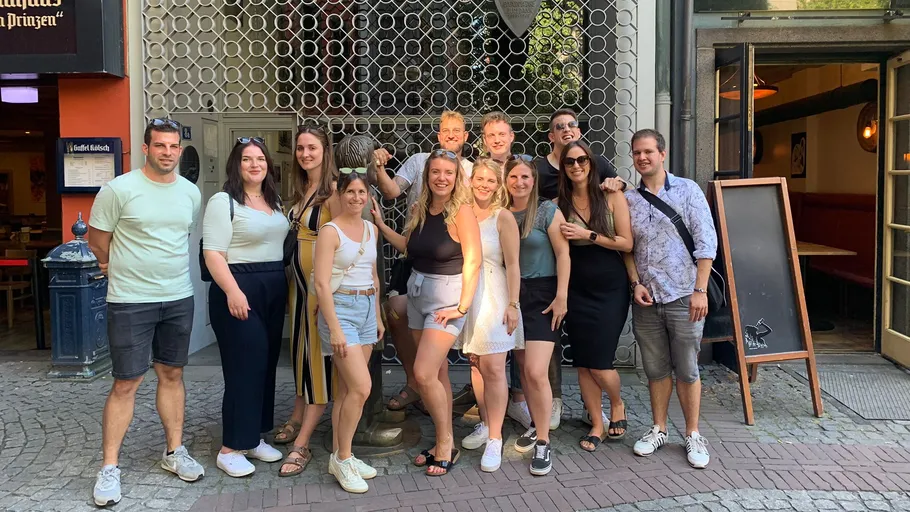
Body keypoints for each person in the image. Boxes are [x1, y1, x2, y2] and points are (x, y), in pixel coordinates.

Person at [88, 119, 204, 507]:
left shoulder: (190, 193)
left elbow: (180, 237)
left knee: (172, 374)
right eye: (160, 146)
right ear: (145, 148)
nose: (168, 153)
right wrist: (110, 265)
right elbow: (98, 241)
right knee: (126, 382)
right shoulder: (118, 190)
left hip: (177, 297)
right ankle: (109, 468)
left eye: (173, 147)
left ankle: (174, 452)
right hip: (130, 299)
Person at [372, 149, 482, 477]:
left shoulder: (462, 211)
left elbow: (473, 261)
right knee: (438, 375)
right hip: (419, 294)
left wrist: (462, 306)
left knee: (422, 375)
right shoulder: (421, 207)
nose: (441, 178)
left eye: (448, 172)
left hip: (447, 300)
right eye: (435, 172)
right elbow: (409, 247)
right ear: (427, 175)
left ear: (456, 176)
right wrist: (379, 224)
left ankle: (446, 443)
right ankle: (441, 441)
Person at [623, 129, 717, 469]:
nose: (642, 157)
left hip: (684, 294)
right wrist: (635, 283)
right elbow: (628, 247)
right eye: (637, 153)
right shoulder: (630, 199)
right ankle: (659, 428)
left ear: (663, 154)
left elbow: (707, 242)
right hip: (648, 297)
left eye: (648, 151)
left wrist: (700, 290)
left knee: (688, 368)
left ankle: (692, 433)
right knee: (656, 369)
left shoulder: (688, 190)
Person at [373, 111, 474, 414]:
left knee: (438, 345)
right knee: (394, 312)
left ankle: (434, 386)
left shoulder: (470, 169)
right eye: (447, 130)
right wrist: (378, 166)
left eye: (458, 131)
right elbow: (391, 191)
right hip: (413, 257)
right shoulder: (419, 161)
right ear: (439, 135)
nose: (452, 135)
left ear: (466, 137)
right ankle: (417, 382)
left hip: (448, 266)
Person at [203, 137, 288, 476]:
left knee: (265, 364)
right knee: (244, 366)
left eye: (260, 159)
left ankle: (254, 436)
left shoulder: (273, 200)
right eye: (247, 160)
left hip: (271, 285)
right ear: (236, 166)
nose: (255, 165)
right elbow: (213, 253)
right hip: (237, 287)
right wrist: (234, 292)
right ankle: (231, 447)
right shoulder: (223, 201)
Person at [555, 141, 633, 452]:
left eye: (582, 160)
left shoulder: (611, 196)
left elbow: (627, 243)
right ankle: (597, 424)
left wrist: (588, 235)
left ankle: (617, 403)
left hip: (610, 287)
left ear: (592, 162)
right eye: (570, 162)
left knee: (601, 362)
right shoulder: (559, 203)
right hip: (575, 288)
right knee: (584, 362)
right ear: (563, 168)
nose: (576, 166)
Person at [314, 168, 384, 493]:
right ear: (340, 195)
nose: (356, 198)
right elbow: (321, 284)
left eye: (362, 193)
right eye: (350, 192)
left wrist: (379, 316)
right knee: (361, 387)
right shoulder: (330, 231)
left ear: (368, 196)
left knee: (346, 391)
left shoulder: (370, 229)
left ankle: (343, 455)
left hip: (367, 308)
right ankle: (343, 460)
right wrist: (335, 328)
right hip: (340, 310)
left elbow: (374, 274)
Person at [278, 122, 340, 477]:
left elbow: (347, 239)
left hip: (319, 291)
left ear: (324, 151)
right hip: (297, 290)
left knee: (316, 361)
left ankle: (303, 442)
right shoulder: (302, 189)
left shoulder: (332, 191)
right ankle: (297, 411)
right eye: (300, 148)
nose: (304, 154)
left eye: (311, 148)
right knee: (301, 355)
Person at [504, 157, 570, 476]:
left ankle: (543, 442)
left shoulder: (546, 211)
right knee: (521, 365)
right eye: (514, 176)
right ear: (506, 180)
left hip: (543, 294)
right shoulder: (501, 213)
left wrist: (562, 295)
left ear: (533, 180)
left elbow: (563, 253)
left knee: (535, 370)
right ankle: (535, 422)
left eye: (525, 177)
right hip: (512, 295)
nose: (519, 182)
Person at [456, 158, 523, 473]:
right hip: (468, 292)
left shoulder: (503, 217)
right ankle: (485, 422)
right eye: (479, 179)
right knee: (477, 365)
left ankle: (496, 437)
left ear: (498, 186)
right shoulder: (461, 212)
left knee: (495, 367)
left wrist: (514, 303)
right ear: (471, 181)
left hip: (495, 294)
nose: (484, 185)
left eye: (490, 181)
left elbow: (513, 264)